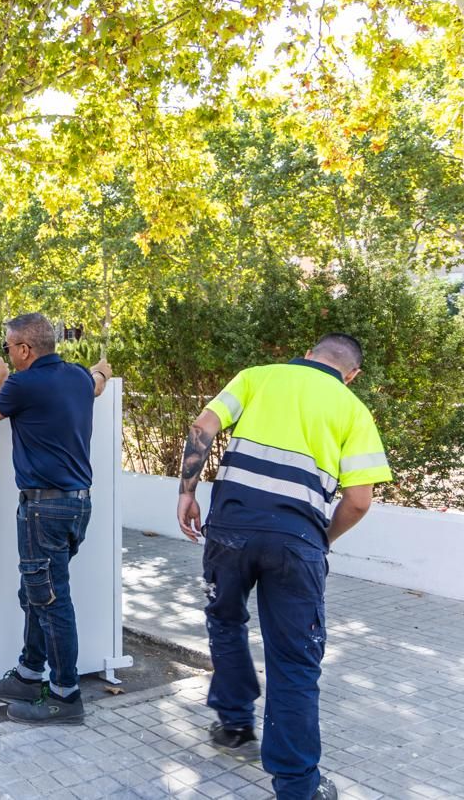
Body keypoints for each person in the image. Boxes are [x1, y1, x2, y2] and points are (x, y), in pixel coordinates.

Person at [176, 334, 392, 800]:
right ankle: (297, 787)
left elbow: (204, 425)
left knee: (225, 620)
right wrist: (322, 539)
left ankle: (234, 724)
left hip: (229, 530)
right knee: (294, 661)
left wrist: (187, 491)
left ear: (310, 354)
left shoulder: (258, 377)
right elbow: (358, 501)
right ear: (350, 374)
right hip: (297, 544)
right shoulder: (353, 410)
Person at [0, 313, 112, 725]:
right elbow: (98, 383)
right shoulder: (78, 378)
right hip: (76, 506)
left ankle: (66, 696)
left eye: (7, 349)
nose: (6, 355)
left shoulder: (22, 383)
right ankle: (30, 675)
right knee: (37, 593)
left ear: (24, 350)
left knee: (50, 600)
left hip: (42, 509)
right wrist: (101, 370)